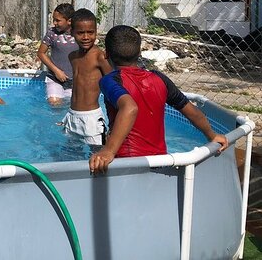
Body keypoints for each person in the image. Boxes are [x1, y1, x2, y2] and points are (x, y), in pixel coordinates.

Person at [89, 25, 229, 174]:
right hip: (160, 162)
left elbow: (130, 108)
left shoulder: (110, 80)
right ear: (139, 52)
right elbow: (192, 112)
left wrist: (109, 151)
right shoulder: (159, 78)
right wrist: (212, 135)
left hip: (127, 163)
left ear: (106, 54)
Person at [62, 8, 112, 145]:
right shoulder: (72, 57)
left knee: (97, 157)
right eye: (80, 33)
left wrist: (113, 124)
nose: (86, 37)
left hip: (92, 118)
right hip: (72, 114)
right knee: (70, 156)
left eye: (90, 32)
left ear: (96, 32)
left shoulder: (100, 57)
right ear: (71, 32)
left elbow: (113, 88)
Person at [37, 3, 78, 105]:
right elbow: (41, 53)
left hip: (75, 81)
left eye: (58, 20)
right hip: (55, 78)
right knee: (54, 103)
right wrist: (56, 71)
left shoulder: (79, 34)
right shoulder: (52, 33)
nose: (54, 23)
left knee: (72, 105)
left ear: (69, 21)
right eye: (53, 20)